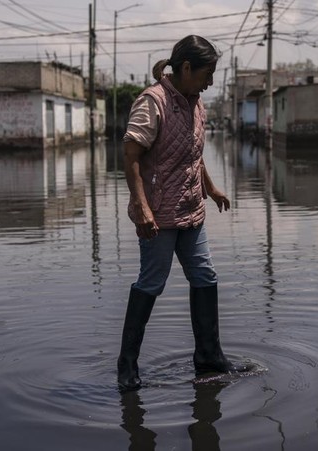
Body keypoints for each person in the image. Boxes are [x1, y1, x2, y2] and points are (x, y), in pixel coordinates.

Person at [117, 35, 246, 391]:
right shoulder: (152, 102)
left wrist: (211, 187)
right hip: (158, 214)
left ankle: (209, 358)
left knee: (205, 275)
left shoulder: (196, 103)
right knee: (152, 282)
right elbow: (130, 155)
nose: (211, 81)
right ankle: (127, 367)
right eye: (207, 73)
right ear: (186, 68)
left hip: (191, 208)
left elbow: (193, 153)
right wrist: (141, 206)